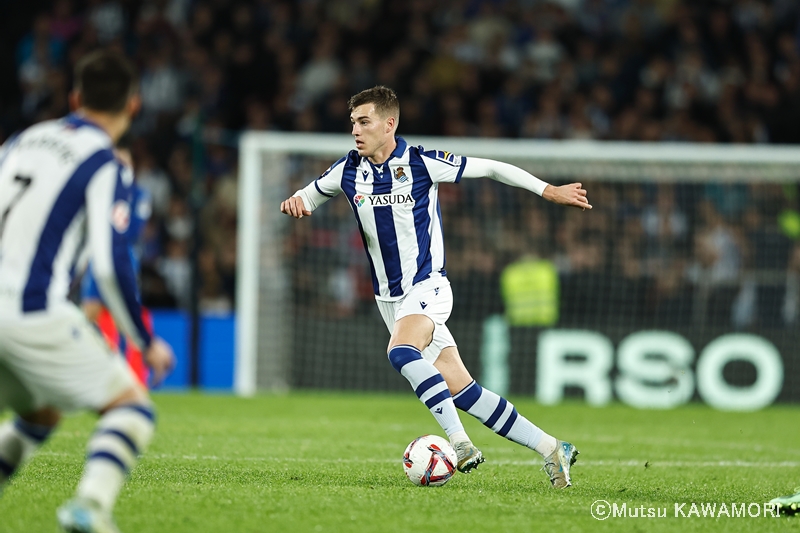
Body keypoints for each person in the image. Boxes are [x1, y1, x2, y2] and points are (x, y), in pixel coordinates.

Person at [281, 86, 591, 487]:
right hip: (388, 301)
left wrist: (548, 190)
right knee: (464, 391)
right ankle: (552, 448)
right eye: (353, 122)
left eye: (364, 121)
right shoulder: (347, 170)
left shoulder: (421, 162)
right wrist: (296, 203)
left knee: (400, 351)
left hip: (428, 287)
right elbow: (307, 195)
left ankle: (459, 443)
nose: (355, 130)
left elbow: (492, 168)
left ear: (389, 124)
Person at [0, 50, 174, 532]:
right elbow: (111, 262)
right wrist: (144, 341)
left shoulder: (23, 139)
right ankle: (90, 508)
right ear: (133, 106)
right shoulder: (105, 164)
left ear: (75, 98)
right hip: (29, 311)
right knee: (132, 407)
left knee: (39, 412)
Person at [81, 139, 154, 388]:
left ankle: (136, 375)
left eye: (125, 160)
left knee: (122, 316)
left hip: (124, 258)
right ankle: (91, 374)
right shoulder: (101, 191)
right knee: (89, 314)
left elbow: (133, 231)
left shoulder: (140, 194)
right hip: (98, 256)